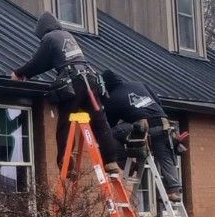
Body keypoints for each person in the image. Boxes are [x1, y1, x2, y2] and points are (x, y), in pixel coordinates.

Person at [11, 13, 130, 171]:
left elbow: (38, 62)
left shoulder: (50, 38)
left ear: (42, 29)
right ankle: (110, 161)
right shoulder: (67, 35)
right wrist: (27, 74)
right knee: (100, 122)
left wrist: (19, 73)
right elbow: (48, 63)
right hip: (90, 79)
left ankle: (66, 165)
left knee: (65, 122)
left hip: (74, 82)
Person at [101, 68, 185, 201]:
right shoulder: (139, 84)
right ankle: (174, 191)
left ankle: (125, 165)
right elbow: (158, 101)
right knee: (165, 157)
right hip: (163, 124)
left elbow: (110, 123)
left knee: (110, 135)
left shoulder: (112, 98)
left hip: (144, 128)